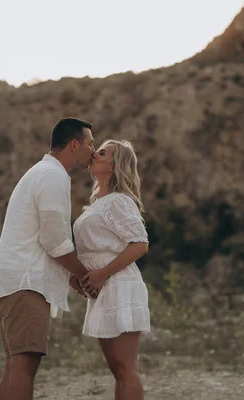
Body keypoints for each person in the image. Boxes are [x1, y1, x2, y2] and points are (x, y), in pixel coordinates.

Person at [0, 117, 96, 400]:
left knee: (16, 363)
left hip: (14, 280)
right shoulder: (53, 175)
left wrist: (72, 278)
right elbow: (54, 238)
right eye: (90, 144)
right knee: (24, 363)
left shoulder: (42, 172)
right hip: (26, 283)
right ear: (74, 144)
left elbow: (47, 237)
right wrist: (84, 275)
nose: (93, 151)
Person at [75, 139, 150, 400]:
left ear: (114, 165)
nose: (94, 153)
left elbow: (140, 245)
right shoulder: (98, 203)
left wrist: (101, 273)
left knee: (125, 369)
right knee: (117, 369)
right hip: (102, 286)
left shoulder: (119, 201)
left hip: (118, 284)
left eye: (102, 152)